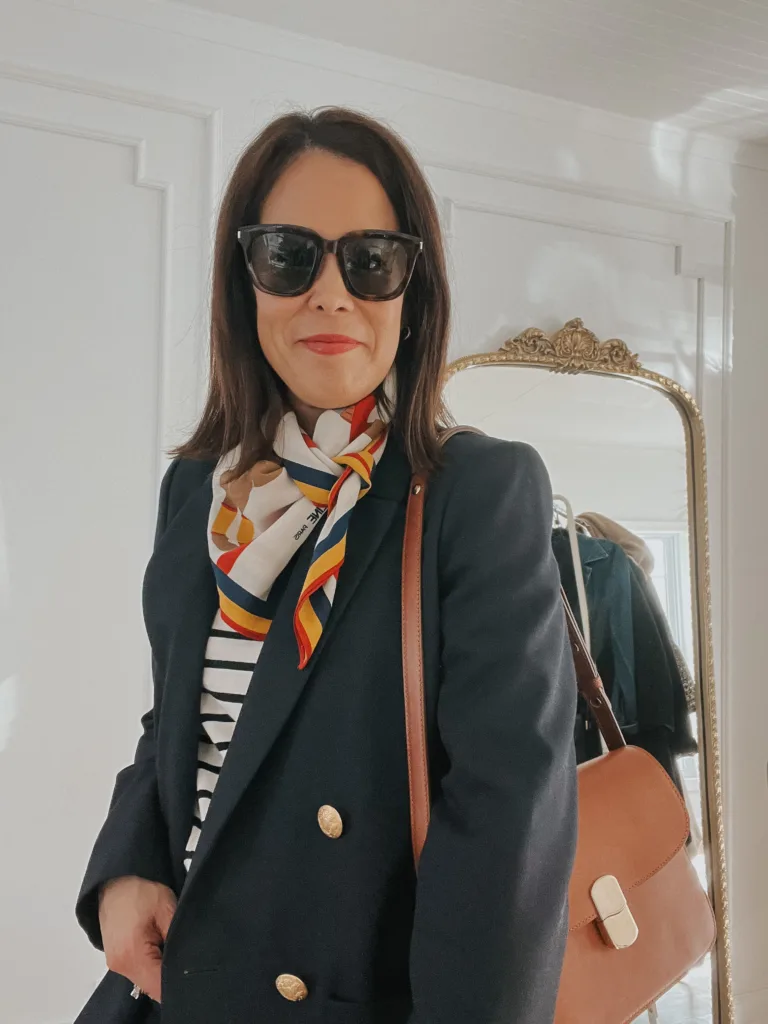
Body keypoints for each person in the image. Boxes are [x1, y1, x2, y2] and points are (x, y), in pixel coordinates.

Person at [74, 106, 578, 1024]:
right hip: (173, 980)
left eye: (371, 260)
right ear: (246, 283)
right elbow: (178, 721)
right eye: (289, 256)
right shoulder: (202, 489)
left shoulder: (475, 492)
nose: (331, 294)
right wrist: (125, 866)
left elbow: (508, 822)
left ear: (412, 292)